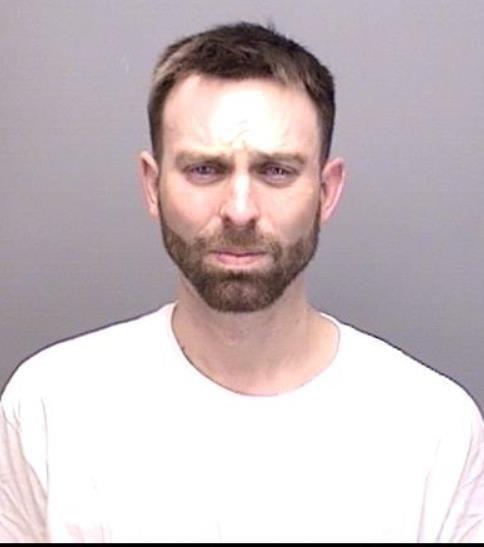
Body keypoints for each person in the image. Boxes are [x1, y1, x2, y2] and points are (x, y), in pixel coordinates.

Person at [1, 22, 483, 543]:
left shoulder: (435, 429)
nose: (239, 210)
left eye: (276, 171)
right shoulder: (50, 406)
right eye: (204, 169)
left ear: (326, 192)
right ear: (152, 186)